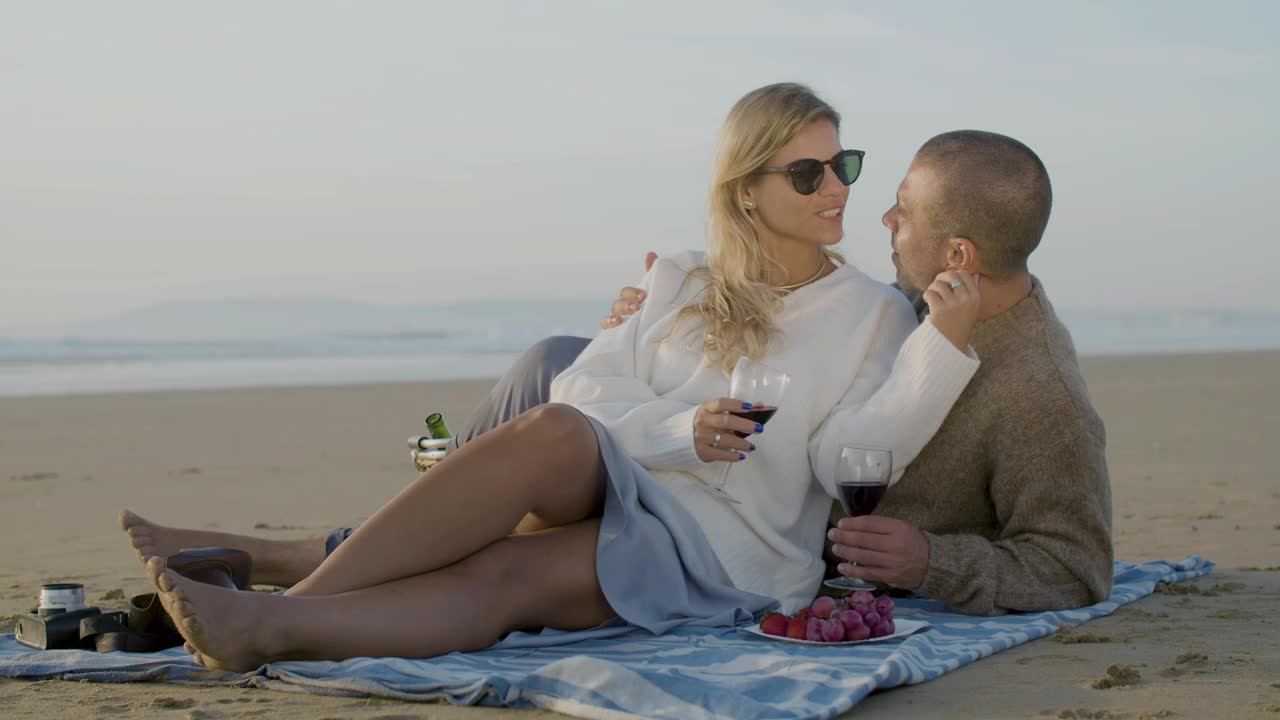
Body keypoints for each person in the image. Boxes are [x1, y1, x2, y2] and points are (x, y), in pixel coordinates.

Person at [123, 83, 981, 671]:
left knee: (508, 573)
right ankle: (280, 606)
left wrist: (940, 349)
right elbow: (584, 390)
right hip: (631, 481)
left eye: (843, 165)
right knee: (556, 427)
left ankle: (267, 622)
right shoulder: (681, 277)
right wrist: (682, 430)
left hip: (726, 554)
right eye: (808, 172)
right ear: (747, 191)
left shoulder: (873, 312)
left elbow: (844, 459)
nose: (836, 188)